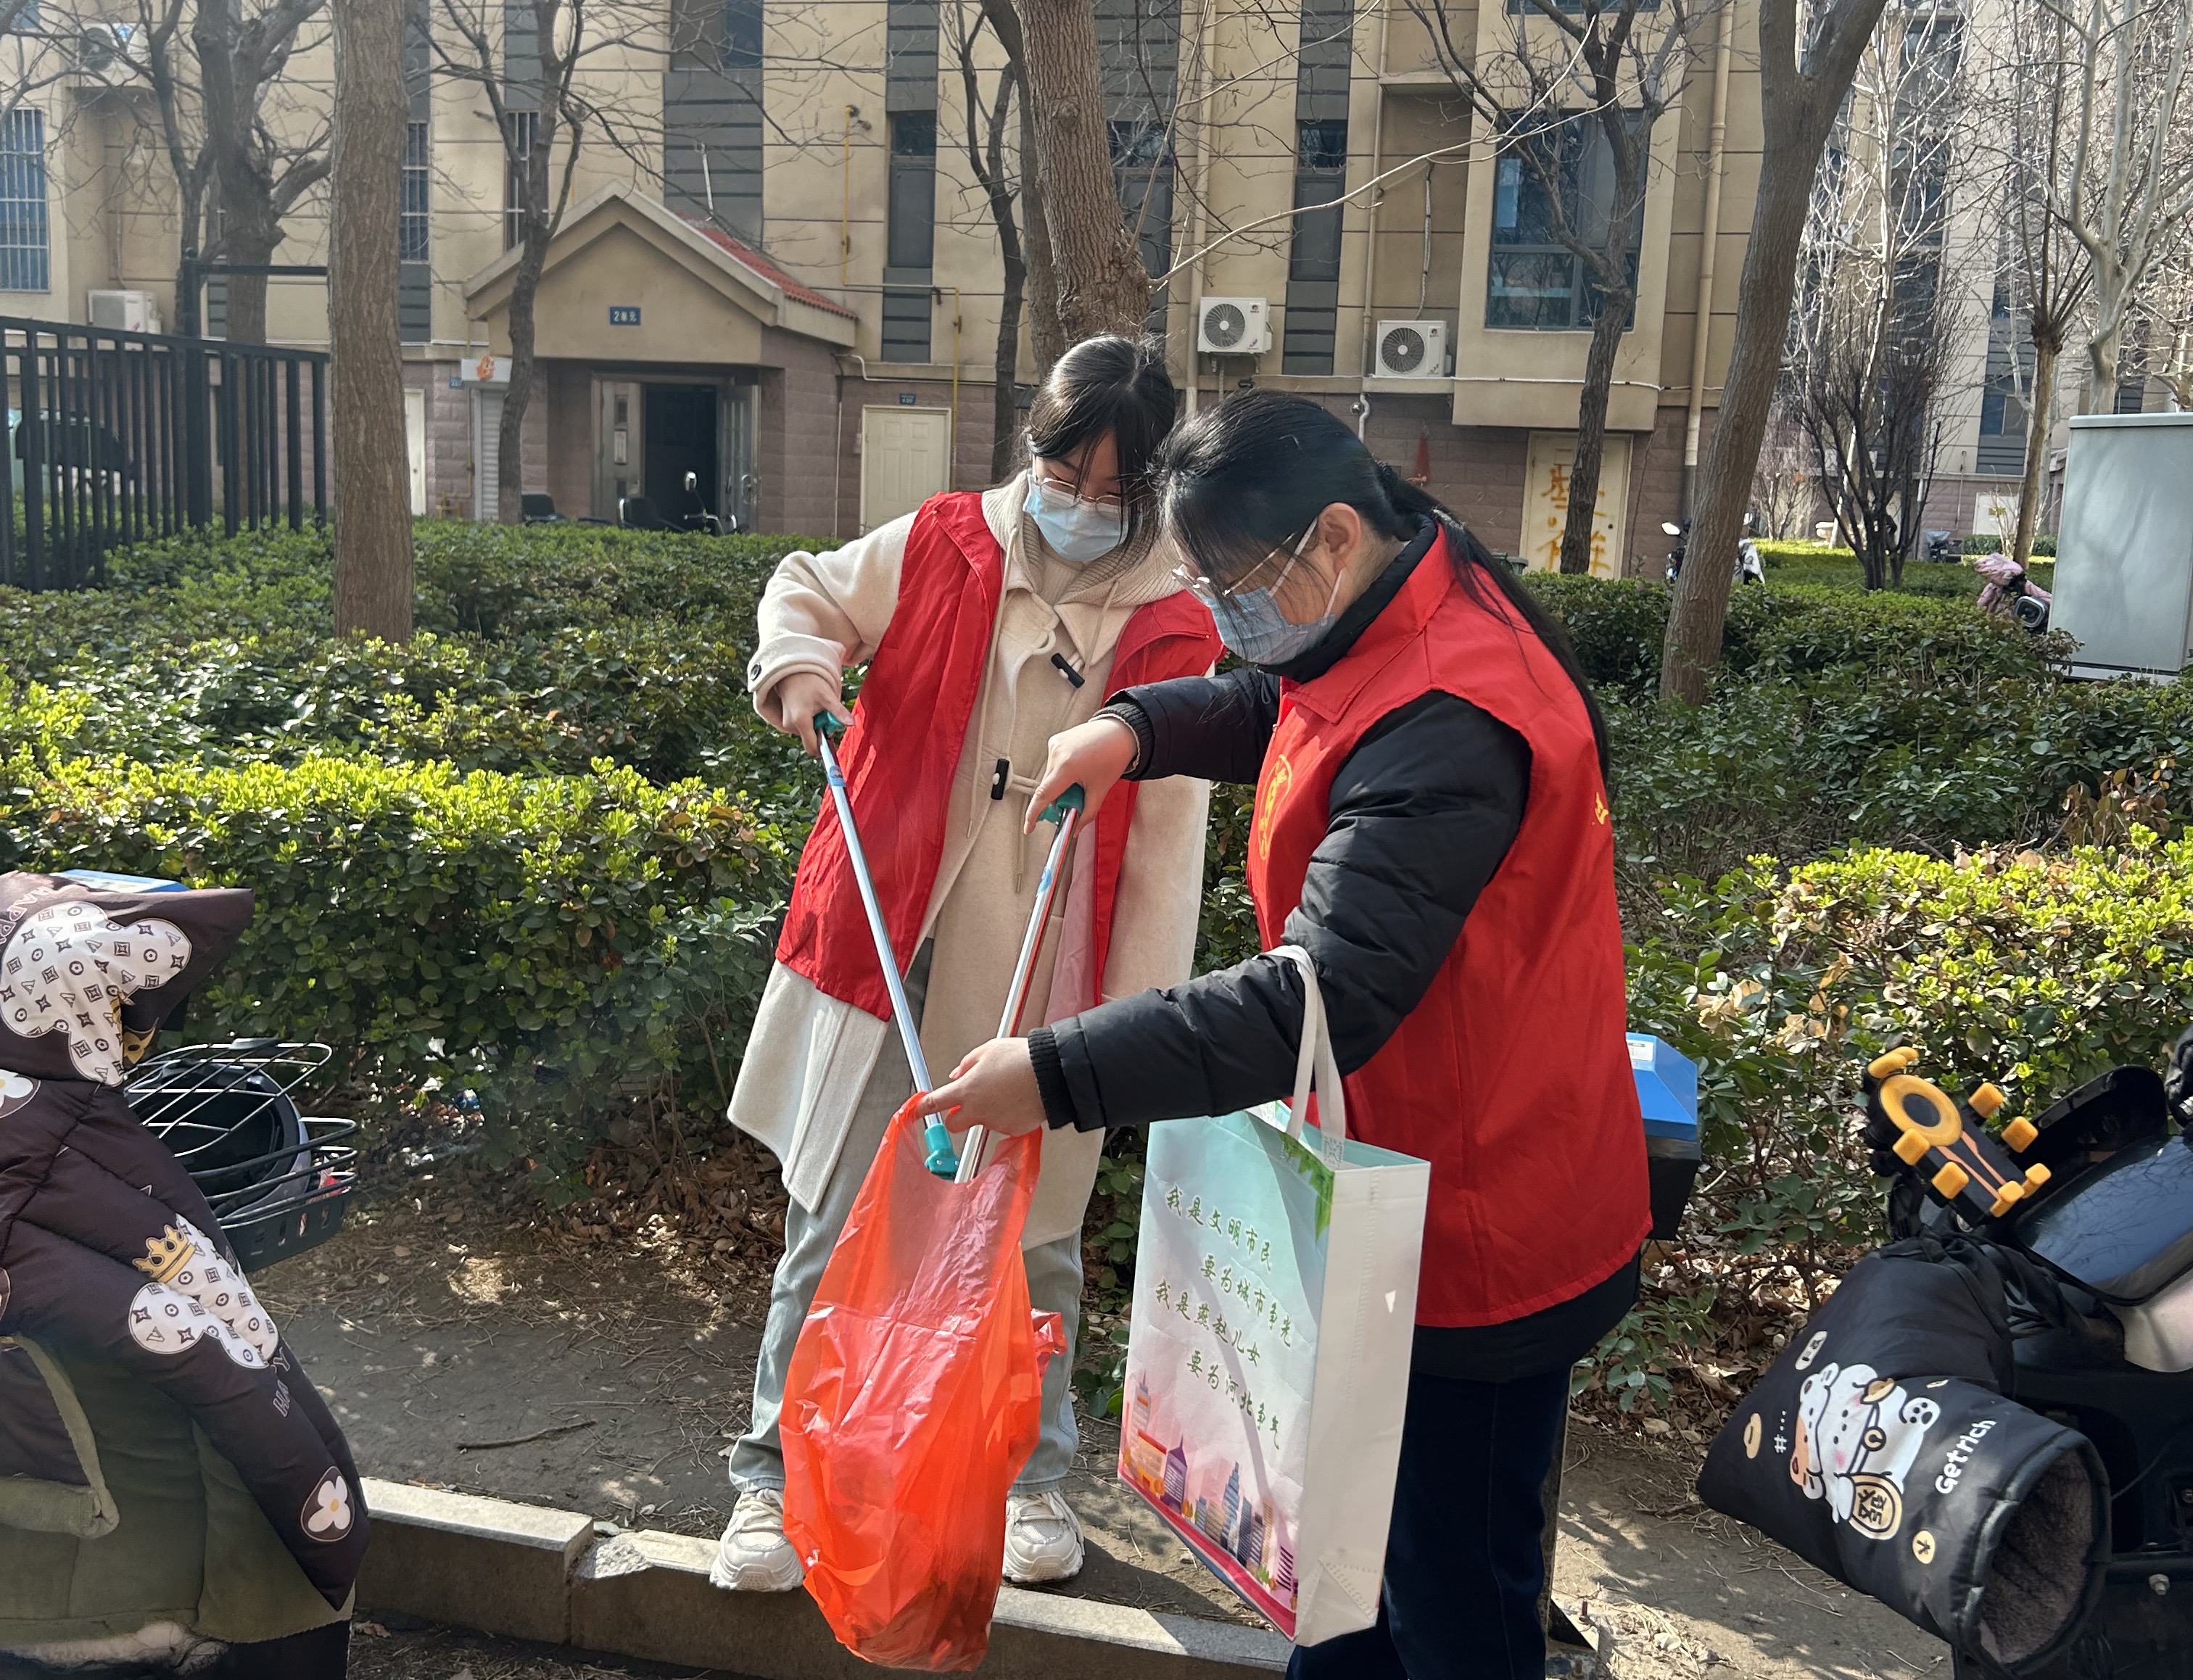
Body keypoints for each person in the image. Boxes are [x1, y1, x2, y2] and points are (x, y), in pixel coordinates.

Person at [917, 391, 1651, 1680]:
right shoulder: (1394, 591)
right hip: (1392, 1184)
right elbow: (1286, 699)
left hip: (1476, 1228)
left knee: (1452, 1596)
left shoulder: (1456, 716)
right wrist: (1139, 727)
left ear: (1330, 537)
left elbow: (1312, 998)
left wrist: (1056, 1070)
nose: (1220, 616)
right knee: (1338, 1572)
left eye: (1231, 584)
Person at [711, 335, 1222, 1592]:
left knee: (1035, 1239)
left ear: (1153, 484)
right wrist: (803, 667)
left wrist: (1134, 1022)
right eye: (1065, 471)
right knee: (834, 1215)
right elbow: (806, 589)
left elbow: (1171, 844)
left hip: (1055, 968)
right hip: (901, 940)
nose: (1083, 503)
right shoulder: (946, 542)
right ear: (1032, 450)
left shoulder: (1177, 617)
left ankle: (1029, 1477)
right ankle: (771, 1477)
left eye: (1116, 487)